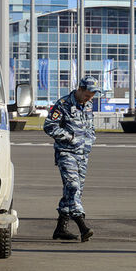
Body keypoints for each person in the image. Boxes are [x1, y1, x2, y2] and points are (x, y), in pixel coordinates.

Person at [43, 76, 100, 242]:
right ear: (80, 89)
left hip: (83, 154)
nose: (90, 98)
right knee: (73, 186)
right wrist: (69, 137)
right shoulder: (63, 105)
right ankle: (82, 225)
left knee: (74, 190)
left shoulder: (88, 106)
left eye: (92, 95)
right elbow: (49, 126)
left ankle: (61, 228)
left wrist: (91, 140)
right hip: (66, 152)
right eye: (88, 94)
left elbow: (90, 127)